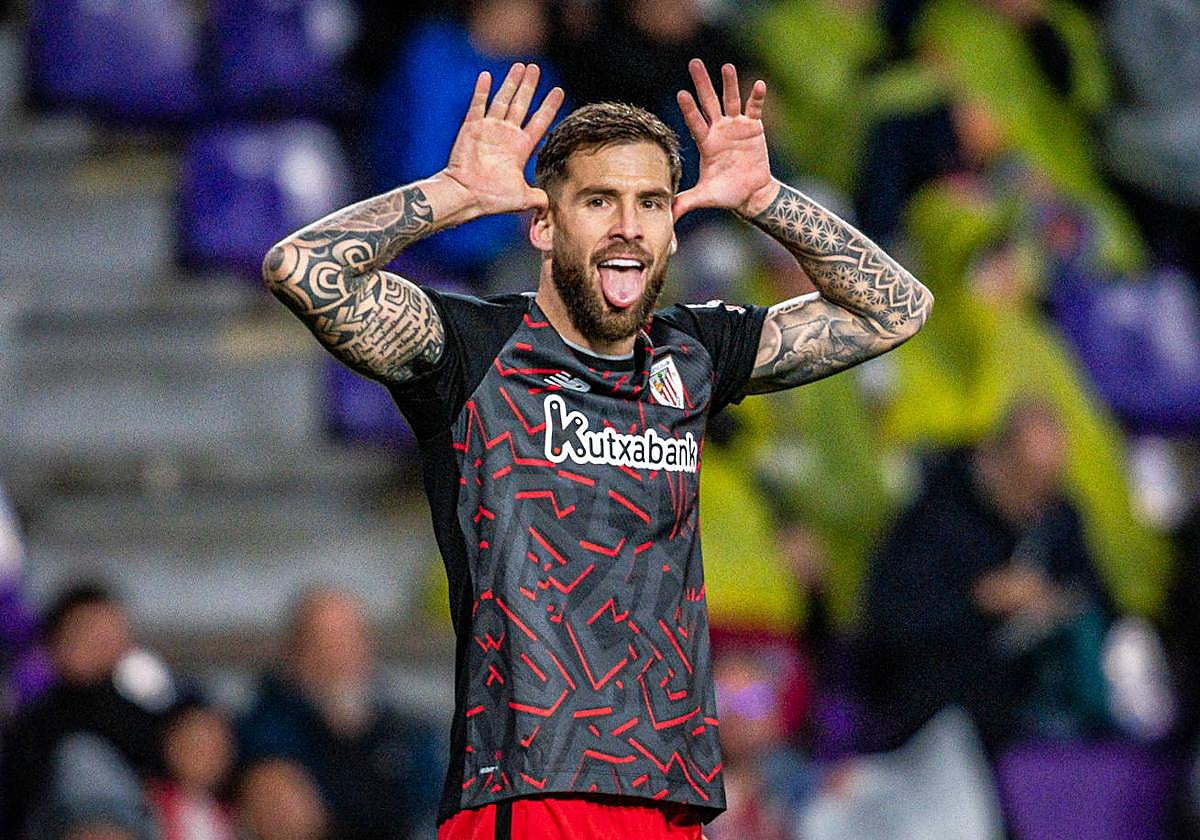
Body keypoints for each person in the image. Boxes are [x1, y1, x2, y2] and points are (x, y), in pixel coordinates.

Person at [262, 59, 932, 839]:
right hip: (529, 794)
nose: (627, 225)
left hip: (672, 796)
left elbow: (897, 309)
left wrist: (764, 199)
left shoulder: (693, 353)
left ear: (673, 229)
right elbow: (301, 270)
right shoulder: (475, 350)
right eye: (598, 201)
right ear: (544, 223)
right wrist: (453, 196)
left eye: (650, 202)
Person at [859, 401, 1114, 752]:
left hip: (1031, 706)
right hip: (935, 713)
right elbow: (889, 620)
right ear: (995, 460)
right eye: (1028, 477)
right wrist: (978, 599)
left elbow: (1095, 594)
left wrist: (1050, 600)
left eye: (1049, 479)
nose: (1039, 493)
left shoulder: (1057, 516)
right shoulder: (936, 514)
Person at [237, 587, 441, 839]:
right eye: (323, 643)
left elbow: (432, 801)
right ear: (295, 652)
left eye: (348, 640)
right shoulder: (266, 731)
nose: (337, 657)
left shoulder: (405, 729)